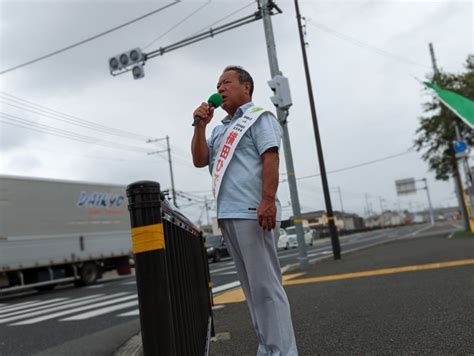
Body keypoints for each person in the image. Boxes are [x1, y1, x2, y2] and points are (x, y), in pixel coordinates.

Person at [191, 66, 298, 356]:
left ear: (246, 87)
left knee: (266, 289)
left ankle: (283, 352)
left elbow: (270, 156)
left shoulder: (259, 118)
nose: (220, 88)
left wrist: (267, 200)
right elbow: (200, 160)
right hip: (229, 214)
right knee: (252, 292)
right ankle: (268, 348)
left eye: (226, 82)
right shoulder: (219, 129)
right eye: (218, 84)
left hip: (253, 211)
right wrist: (200, 124)